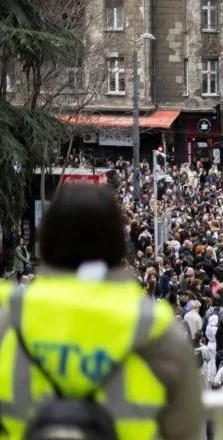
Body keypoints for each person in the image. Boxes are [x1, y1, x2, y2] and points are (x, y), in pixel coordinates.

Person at [0, 184, 203, 439]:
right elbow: (186, 430)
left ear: (46, 242)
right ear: (119, 244)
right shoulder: (159, 332)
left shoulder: (7, 318)